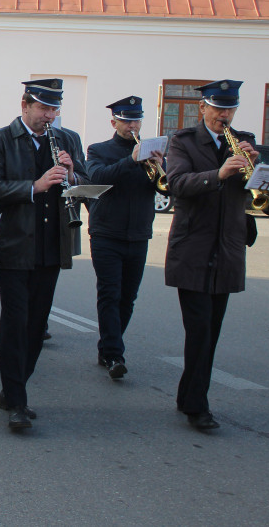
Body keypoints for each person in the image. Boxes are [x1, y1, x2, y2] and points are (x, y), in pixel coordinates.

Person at [0, 79, 89, 431]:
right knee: (15, 321)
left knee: (37, 323)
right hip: (14, 242)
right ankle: (17, 401)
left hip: (51, 243)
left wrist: (73, 173)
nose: (50, 116)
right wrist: (35, 186)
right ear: (25, 105)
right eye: (43, 109)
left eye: (54, 110)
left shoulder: (68, 138)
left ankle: (15, 387)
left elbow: (85, 182)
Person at [165, 80, 259, 431]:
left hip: (228, 248)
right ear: (202, 108)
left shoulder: (245, 139)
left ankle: (188, 394)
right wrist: (218, 174)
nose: (225, 115)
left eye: (230, 109)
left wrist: (256, 169)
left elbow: (255, 193)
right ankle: (197, 406)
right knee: (200, 329)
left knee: (211, 330)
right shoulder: (183, 141)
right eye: (219, 108)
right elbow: (177, 184)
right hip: (193, 248)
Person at [86, 96, 163, 380]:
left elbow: (165, 190)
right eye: (126, 120)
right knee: (110, 293)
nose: (132, 125)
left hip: (139, 234)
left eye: (136, 120)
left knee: (128, 298)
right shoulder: (99, 150)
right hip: (106, 232)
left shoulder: (150, 152)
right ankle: (114, 354)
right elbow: (97, 179)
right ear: (114, 122)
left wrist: (160, 167)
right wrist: (131, 160)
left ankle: (108, 346)